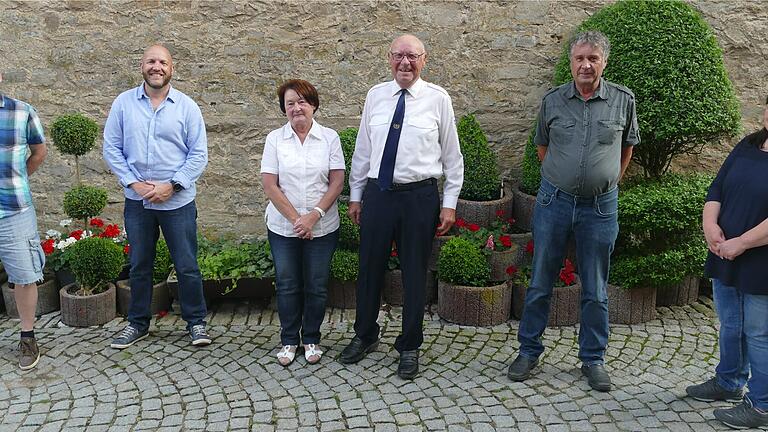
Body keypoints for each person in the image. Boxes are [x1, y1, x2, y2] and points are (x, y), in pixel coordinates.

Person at [507, 30, 639, 392]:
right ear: (571, 62)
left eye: (593, 59)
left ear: (604, 62)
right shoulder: (553, 102)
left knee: (595, 286)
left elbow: (626, 149)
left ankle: (593, 358)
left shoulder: (622, 101)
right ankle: (529, 350)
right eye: (580, 58)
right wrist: (564, 180)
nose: (585, 65)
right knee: (540, 280)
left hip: (600, 206)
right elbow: (542, 148)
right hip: (554, 202)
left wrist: (605, 181)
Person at [339, 34, 464, 380]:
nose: (404, 63)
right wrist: (355, 195)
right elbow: (363, 151)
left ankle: (409, 345)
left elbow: (453, 158)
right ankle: (365, 334)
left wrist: (449, 204)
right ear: (388, 58)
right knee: (369, 268)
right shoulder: (375, 96)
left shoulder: (438, 99)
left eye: (412, 56)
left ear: (424, 60)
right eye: (398, 56)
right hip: (379, 195)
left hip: (419, 197)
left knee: (414, 272)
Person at [103, 44, 210, 349]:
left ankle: (196, 322)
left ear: (171, 68)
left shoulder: (187, 106)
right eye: (151, 61)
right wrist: (133, 184)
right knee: (139, 265)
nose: (156, 66)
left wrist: (172, 186)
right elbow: (111, 148)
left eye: (162, 62)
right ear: (142, 66)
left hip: (177, 202)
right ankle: (138, 323)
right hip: (138, 203)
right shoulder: (123, 104)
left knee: (187, 264)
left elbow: (198, 154)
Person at [684, 97, 768, 430]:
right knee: (731, 324)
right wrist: (709, 225)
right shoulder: (748, 145)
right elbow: (717, 186)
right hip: (724, 252)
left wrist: (742, 242)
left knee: (760, 334)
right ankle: (729, 380)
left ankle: (761, 406)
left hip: (760, 261)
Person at [261, 79, 344, 366]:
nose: (297, 108)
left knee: (317, 286)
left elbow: (337, 182)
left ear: (314, 105)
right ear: (284, 109)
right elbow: (270, 185)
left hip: (322, 227)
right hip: (284, 228)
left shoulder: (330, 138)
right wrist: (298, 220)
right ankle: (288, 341)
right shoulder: (274, 139)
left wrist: (314, 216)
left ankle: (311, 338)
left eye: (302, 102)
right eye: (290, 103)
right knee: (287, 284)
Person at [0, 72, 48, 370]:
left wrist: (17, 181)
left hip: (14, 209)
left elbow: (39, 152)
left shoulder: (22, 111)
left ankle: (28, 336)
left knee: (24, 275)